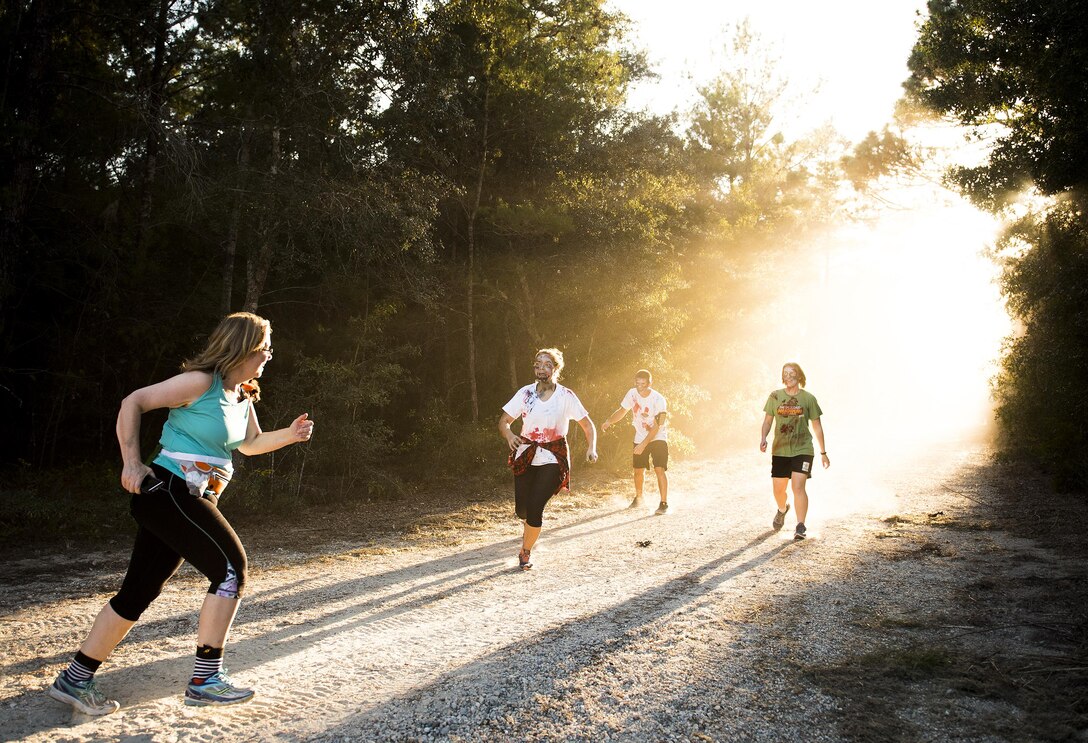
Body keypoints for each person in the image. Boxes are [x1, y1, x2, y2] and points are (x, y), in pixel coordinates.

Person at [47, 312, 314, 715]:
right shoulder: (201, 383)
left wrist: (290, 436)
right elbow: (133, 401)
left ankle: (75, 677)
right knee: (230, 569)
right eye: (265, 348)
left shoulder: (241, 394)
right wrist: (132, 464)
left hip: (195, 498)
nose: (269, 356)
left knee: (139, 591)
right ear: (242, 347)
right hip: (168, 490)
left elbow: (250, 444)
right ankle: (206, 678)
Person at [498, 348, 598, 570]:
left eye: (546, 364)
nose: (541, 368)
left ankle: (525, 552)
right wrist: (510, 435)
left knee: (535, 508)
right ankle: (530, 533)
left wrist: (592, 447)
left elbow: (587, 425)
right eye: (537, 364)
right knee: (521, 510)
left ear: (556, 368)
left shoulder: (566, 396)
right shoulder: (526, 393)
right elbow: (504, 421)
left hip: (554, 456)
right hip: (525, 453)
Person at [759, 361, 829, 540]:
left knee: (798, 487)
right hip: (781, 450)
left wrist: (823, 452)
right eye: (785, 373)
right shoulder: (775, 397)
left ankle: (800, 526)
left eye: (792, 373)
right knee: (778, 490)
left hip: (803, 448)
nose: (788, 376)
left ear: (799, 376)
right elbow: (768, 421)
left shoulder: (808, 399)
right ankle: (782, 509)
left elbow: (817, 426)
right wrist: (763, 437)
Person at [601, 369, 670, 514]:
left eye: (643, 384)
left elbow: (657, 426)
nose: (640, 387)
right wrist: (609, 421)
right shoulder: (632, 394)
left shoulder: (659, 400)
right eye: (638, 383)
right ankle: (639, 499)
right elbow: (622, 410)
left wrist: (643, 445)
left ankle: (663, 503)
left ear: (650, 383)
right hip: (639, 436)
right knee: (638, 471)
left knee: (659, 469)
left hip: (658, 437)